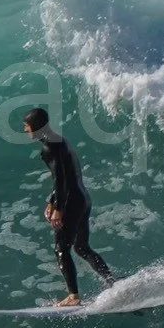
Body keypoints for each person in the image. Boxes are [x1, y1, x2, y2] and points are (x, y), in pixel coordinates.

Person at [23, 106, 115, 306]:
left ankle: (73, 297)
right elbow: (67, 176)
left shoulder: (49, 147)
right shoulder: (59, 140)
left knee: (61, 249)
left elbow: (61, 180)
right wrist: (52, 200)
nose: (25, 130)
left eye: (27, 126)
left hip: (71, 203)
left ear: (36, 127)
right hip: (83, 198)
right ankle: (111, 283)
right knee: (81, 247)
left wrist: (59, 208)